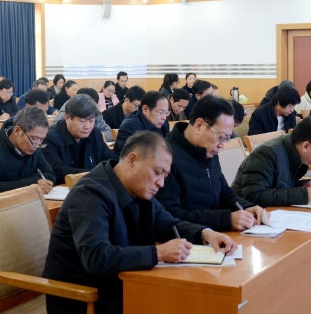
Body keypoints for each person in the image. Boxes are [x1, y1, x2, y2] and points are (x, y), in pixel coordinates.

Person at [42, 131, 237, 314]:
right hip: (86, 298)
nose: (161, 183)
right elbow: (97, 257)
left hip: (125, 283)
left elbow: (168, 225)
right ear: (132, 160)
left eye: (165, 176)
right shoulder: (90, 194)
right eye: (157, 172)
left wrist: (205, 233)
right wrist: (158, 253)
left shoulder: (139, 189)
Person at [156, 96, 262, 231]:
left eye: (226, 138)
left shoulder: (207, 150)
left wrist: (247, 207)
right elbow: (171, 216)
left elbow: (224, 192)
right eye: (221, 137)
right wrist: (226, 220)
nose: (222, 145)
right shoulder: (165, 158)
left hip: (218, 233)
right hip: (191, 238)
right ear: (199, 125)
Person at [232, 116, 311, 206]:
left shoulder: (293, 151)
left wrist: (302, 186)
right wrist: (303, 194)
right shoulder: (267, 154)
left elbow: (279, 187)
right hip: (245, 215)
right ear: (306, 146)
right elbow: (253, 196)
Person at [0, 106, 56, 198]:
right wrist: (30, 185)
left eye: (41, 139)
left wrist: (34, 184)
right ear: (17, 130)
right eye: (34, 138)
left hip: (23, 201)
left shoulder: (33, 146)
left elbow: (49, 175)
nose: (37, 144)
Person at [42, 94, 117, 185]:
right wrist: (96, 173)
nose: (87, 126)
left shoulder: (95, 133)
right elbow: (56, 171)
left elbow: (110, 158)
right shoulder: (50, 137)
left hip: (91, 184)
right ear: (67, 117)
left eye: (91, 121)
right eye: (82, 121)